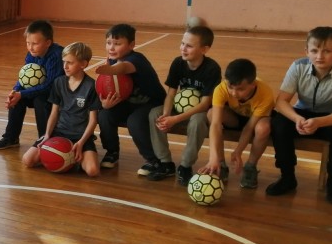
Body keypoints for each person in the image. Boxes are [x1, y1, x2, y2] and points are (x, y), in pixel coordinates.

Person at [266, 26, 332, 205]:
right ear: (306, 51)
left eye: (327, 51)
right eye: (314, 51)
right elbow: (281, 102)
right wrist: (297, 119)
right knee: (279, 123)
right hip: (303, 115)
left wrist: (318, 122)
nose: (319, 56)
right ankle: (287, 177)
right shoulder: (298, 66)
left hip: (331, 118)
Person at [147, 24, 222, 185]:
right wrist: (166, 115)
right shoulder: (178, 63)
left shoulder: (212, 68)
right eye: (182, 43)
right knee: (155, 114)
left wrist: (175, 119)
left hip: (200, 111)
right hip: (179, 107)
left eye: (189, 46)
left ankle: (185, 166)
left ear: (204, 49)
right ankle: (165, 163)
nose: (183, 48)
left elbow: (205, 104)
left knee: (197, 122)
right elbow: (171, 93)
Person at [94, 23, 166, 173]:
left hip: (151, 102)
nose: (111, 48)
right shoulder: (112, 60)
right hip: (128, 103)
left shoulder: (136, 59)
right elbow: (107, 89)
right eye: (108, 43)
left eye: (117, 44)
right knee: (104, 115)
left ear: (131, 45)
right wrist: (105, 103)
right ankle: (112, 152)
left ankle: (153, 160)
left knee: (134, 122)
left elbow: (124, 67)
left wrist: (109, 69)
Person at [22, 42, 101, 177]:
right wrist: (47, 134)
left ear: (83, 64)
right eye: (64, 62)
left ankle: (73, 157)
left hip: (80, 136)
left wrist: (81, 142)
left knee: (93, 171)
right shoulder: (59, 82)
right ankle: (63, 157)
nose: (65, 66)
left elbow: (93, 120)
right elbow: (54, 113)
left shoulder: (91, 86)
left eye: (70, 62)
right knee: (27, 160)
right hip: (59, 133)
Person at [198, 58, 274, 189]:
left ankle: (250, 167)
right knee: (211, 114)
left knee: (263, 128)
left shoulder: (265, 93)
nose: (234, 93)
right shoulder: (221, 89)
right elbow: (215, 125)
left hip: (254, 120)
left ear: (253, 84)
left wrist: (238, 151)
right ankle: (220, 164)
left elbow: (249, 127)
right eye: (230, 87)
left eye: (240, 89)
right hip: (235, 118)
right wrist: (213, 157)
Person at [0, 20, 65, 150]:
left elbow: (50, 86)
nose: (30, 47)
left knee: (40, 101)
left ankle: (45, 139)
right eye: (28, 43)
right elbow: (24, 77)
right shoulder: (31, 54)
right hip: (39, 90)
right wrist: (15, 91)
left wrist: (22, 93)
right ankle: (11, 138)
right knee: (17, 100)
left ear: (48, 43)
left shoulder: (56, 55)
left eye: (35, 43)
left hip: (56, 95)